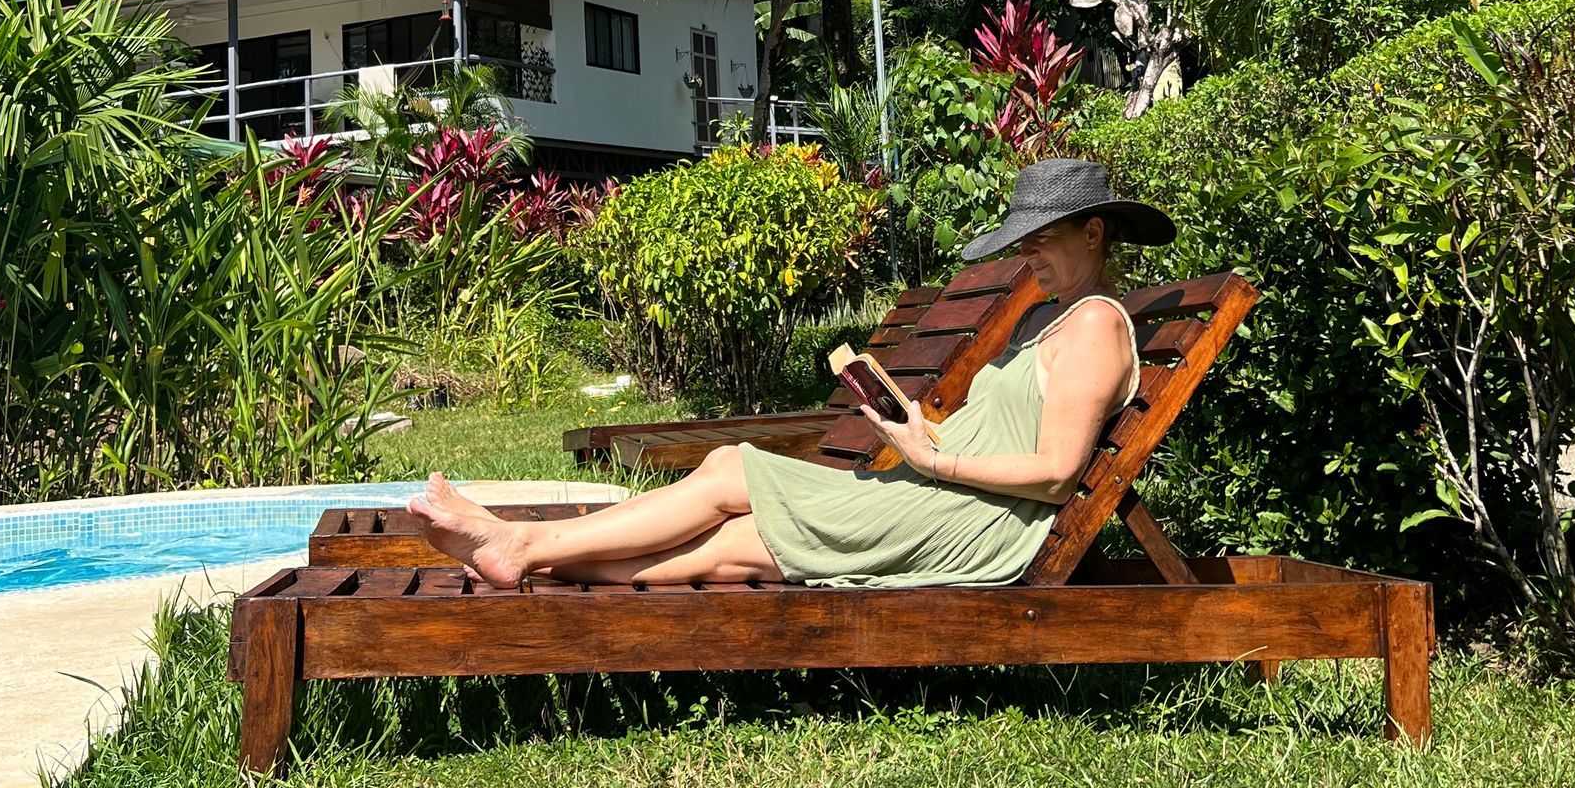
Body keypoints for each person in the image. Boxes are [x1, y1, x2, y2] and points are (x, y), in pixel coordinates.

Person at [406, 158, 1176, 591]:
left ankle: (517, 545)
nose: (1026, 256)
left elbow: (1052, 475)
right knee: (734, 538)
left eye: (1041, 240)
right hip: (943, 490)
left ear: (1096, 231)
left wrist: (932, 457)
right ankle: (528, 558)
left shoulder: (1099, 324)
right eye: (1022, 241)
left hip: (974, 522)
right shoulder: (1053, 319)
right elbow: (1016, 433)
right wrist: (917, 430)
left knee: (731, 466)